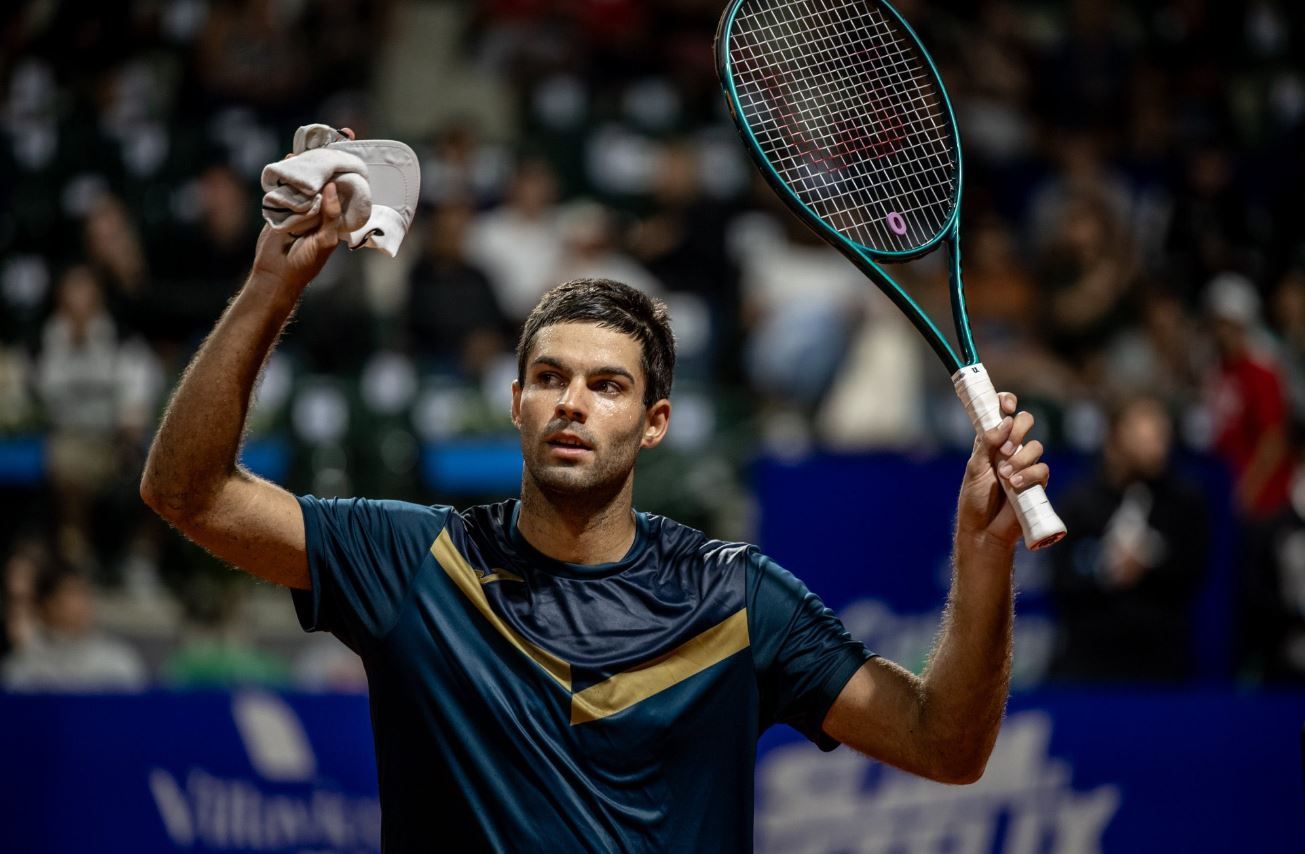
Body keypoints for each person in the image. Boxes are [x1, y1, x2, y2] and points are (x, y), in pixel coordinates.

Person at [139, 166, 1052, 850]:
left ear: (655, 423)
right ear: (515, 404)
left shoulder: (737, 601)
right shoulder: (417, 563)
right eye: (549, 378)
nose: (572, 403)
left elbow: (943, 744)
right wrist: (271, 289)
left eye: (607, 385)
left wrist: (983, 554)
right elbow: (187, 493)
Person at [1048, 394, 1209, 682]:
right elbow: (1061, 577)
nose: (1158, 447)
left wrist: (1149, 564)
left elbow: (1193, 569)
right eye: (1146, 436)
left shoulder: (1184, 502)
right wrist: (1103, 567)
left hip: (1162, 664)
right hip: (1090, 663)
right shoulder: (1079, 502)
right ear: (1115, 436)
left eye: (1163, 436)